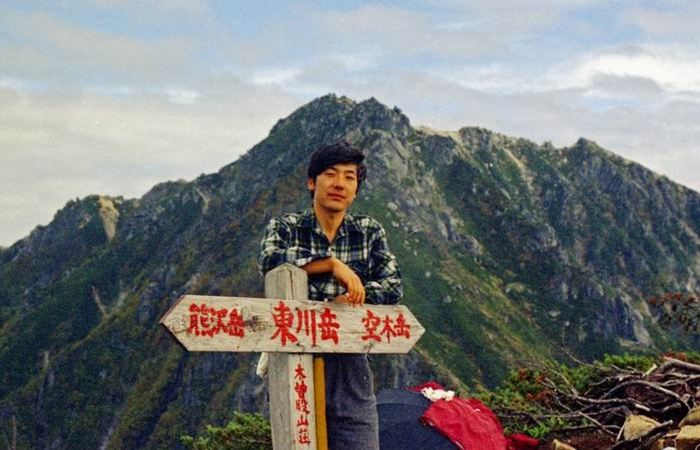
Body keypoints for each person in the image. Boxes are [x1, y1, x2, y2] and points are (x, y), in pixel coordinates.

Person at [258, 140, 402, 449]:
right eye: (331, 174)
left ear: (356, 189)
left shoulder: (368, 231)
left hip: (351, 361)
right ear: (312, 182)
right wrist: (331, 265)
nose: (340, 184)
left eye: (349, 177)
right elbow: (270, 261)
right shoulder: (286, 227)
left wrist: (350, 301)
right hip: (295, 358)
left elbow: (392, 286)